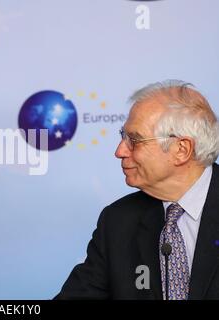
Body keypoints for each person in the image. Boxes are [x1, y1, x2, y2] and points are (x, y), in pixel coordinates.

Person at [55, 80, 219, 300]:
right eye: (123, 137)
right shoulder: (118, 221)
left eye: (135, 140)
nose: (120, 151)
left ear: (182, 150)